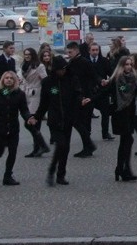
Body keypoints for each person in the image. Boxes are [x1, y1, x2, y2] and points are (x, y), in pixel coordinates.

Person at [29, 56, 89, 186]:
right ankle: (51, 170)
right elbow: (44, 103)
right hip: (54, 120)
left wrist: (80, 100)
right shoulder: (48, 83)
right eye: (59, 70)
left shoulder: (72, 79)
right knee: (60, 145)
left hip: (68, 118)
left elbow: (77, 93)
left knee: (65, 148)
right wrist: (36, 117)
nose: (62, 72)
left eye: (64, 69)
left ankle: (61, 174)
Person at [98, 55, 137, 182]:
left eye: (130, 64)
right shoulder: (116, 79)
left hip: (130, 112)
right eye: (126, 64)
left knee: (126, 142)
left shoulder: (133, 78)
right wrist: (90, 99)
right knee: (127, 140)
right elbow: (104, 92)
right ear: (121, 66)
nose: (129, 67)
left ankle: (121, 169)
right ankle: (123, 169)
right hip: (120, 113)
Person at [65, 41, 99, 158]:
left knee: (80, 122)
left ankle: (88, 146)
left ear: (76, 50)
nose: (68, 54)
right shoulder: (72, 62)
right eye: (67, 52)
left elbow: (94, 77)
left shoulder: (84, 62)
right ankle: (88, 146)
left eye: (70, 52)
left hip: (85, 96)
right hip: (77, 97)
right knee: (80, 122)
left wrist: (92, 93)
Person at [20, 48, 50, 158]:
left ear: (33, 55)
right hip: (27, 95)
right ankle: (38, 148)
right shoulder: (24, 66)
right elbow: (23, 80)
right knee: (32, 123)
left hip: (36, 95)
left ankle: (41, 146)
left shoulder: (39, 66)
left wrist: (47, 94)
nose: (27, 56)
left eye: (29, 54)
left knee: (31, 123)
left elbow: (46, 81)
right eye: (25, 54)